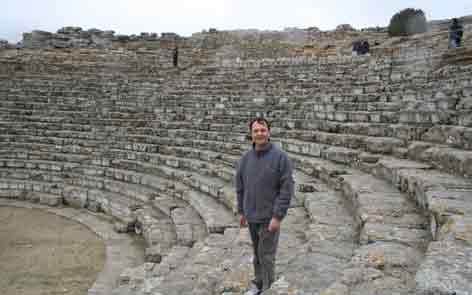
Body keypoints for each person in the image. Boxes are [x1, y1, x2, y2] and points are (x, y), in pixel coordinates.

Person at [236, 118, 294, 295]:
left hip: (269, 217)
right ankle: (258, 283)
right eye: (256, 131)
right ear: (251, 134)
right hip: (251, 215)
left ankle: (269, 288)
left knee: (266, 255)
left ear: (269, 132)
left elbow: (286, 188)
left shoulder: (280, 157)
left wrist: (278, 216)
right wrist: (241, 211)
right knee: (257, 253)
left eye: (263, 130)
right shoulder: (245, 159)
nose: (259, 133)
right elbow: (240, 187)